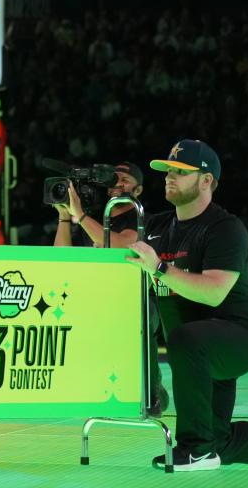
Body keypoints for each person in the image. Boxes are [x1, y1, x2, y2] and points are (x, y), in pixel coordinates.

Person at [128, 140, 248, 471]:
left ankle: (195, 450)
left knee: (185, 338)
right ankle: (209, 446)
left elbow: (214, 292)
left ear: (206, 180)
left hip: (237, 338)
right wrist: (75, 215)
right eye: (169, 170)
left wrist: (159, 268)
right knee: (222, 440)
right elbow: (107, 242)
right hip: (196, 350)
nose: (170, 176)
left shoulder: (225, 229)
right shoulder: (156, 227)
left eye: (181, 172)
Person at [53, 161, 168, 416]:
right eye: (114, 178)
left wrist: (80, 215)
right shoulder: (94, 220)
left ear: (138, 190)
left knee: (140, 326)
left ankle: (154, 393)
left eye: (126, 180)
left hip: (136, 298)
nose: (118, 183)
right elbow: (62, 256)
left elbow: (119, 244)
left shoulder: (140, 218)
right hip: (98, 296)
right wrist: (64, 216)